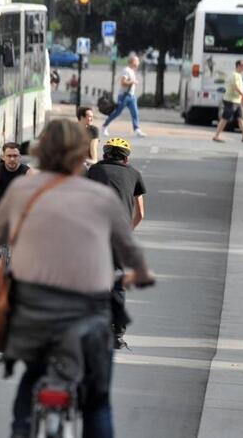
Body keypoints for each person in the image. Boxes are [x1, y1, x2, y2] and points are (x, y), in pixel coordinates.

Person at [0, 119, 154, 438]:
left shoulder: (26, 189)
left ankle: (22, 430)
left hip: (38, 311)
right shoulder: (97, 197)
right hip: (89, 311)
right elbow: (128, 246)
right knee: (97, 401)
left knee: (31, 382)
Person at [87, 137, 147, 349]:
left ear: (105, 154)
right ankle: (117, 333)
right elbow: (141, 212)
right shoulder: (134, 174)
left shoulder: (94, 171)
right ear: (126, 158)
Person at [0, 142, 33, 216]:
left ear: (20, 157)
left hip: (19, 212)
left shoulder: (28, 172)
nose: (12, 159)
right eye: (9, 156)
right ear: (3, 157)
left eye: (15, 156)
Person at [213, 59, 243, 143]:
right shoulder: (235, 75)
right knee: (225, 118)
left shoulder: (239, 75)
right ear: (238, 66)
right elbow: (236, 87)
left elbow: (238, 88)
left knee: (241, 119)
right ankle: (216, 136)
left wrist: (242, 98)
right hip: (231, 100)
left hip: (237, 101)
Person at [101, 53, 145, 138]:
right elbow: (123, 82)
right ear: (132, 62)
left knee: (135, 113)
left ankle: (137, 129)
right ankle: (104, 126)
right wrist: (132, 82)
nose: (138, 63)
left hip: (131, 96)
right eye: (137, 61)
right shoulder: (126, 70)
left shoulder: (132, 71)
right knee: (117, 112)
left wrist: (133, 82)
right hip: (124, 96)